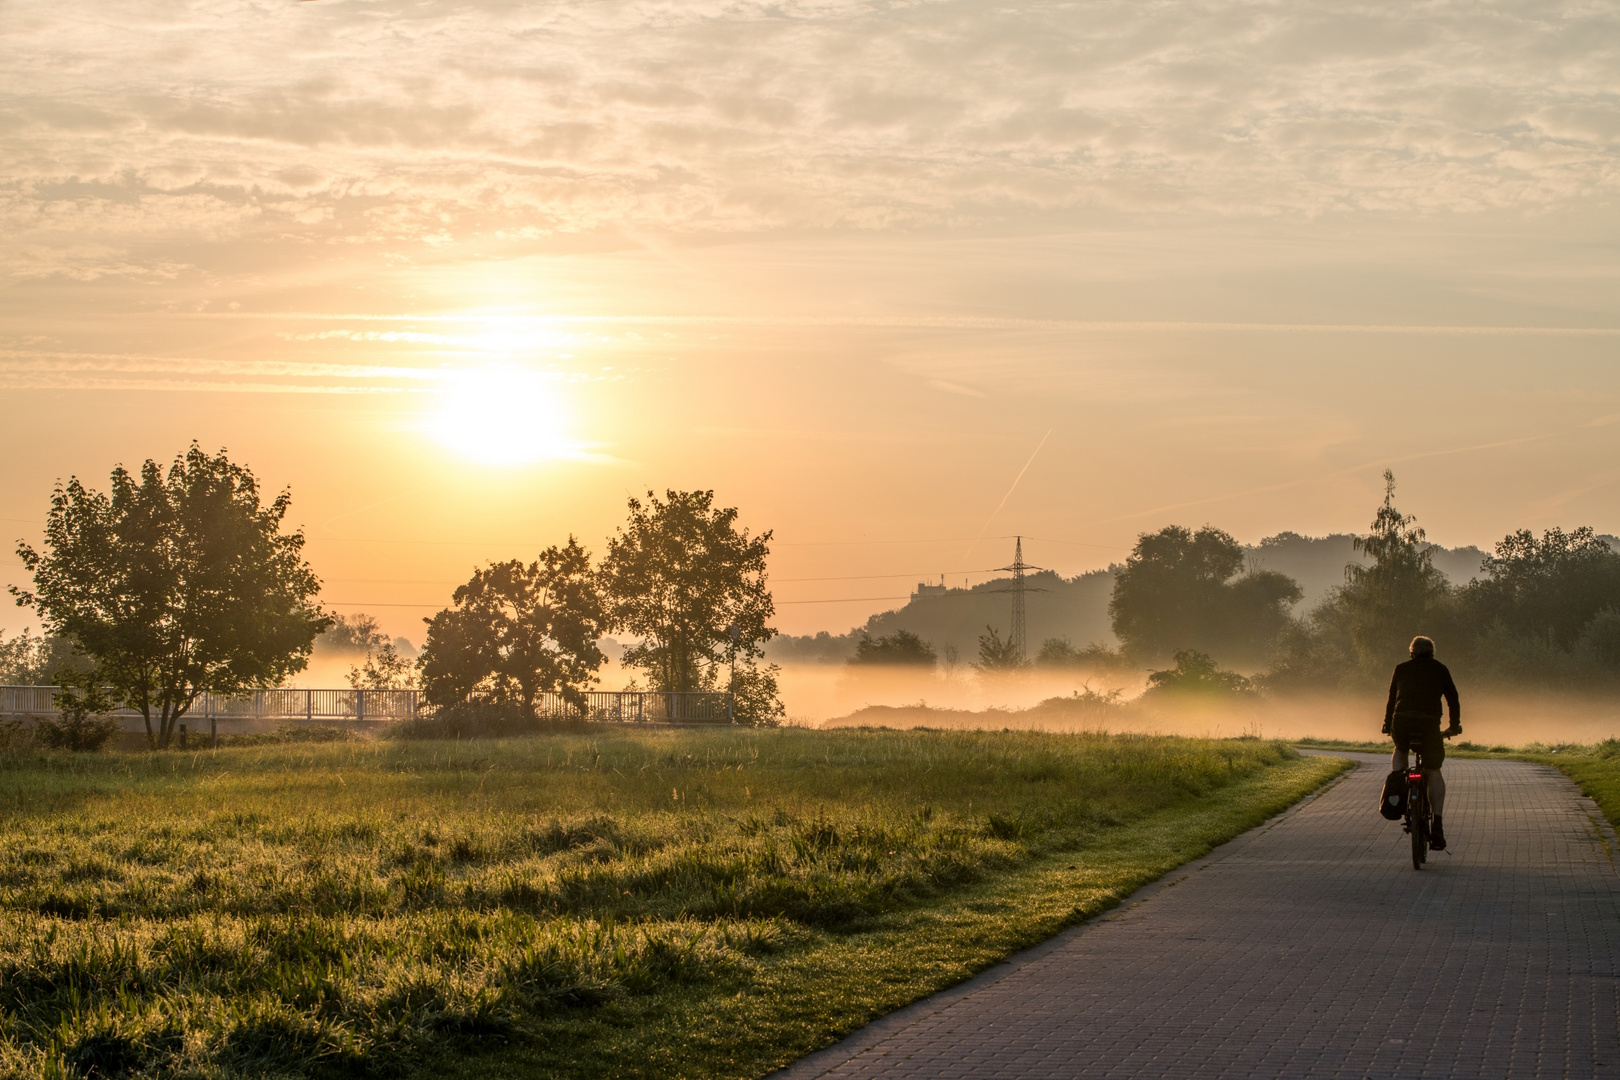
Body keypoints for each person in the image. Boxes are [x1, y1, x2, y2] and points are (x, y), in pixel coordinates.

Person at [1383, 635, 1462, 850]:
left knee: (1400, 749)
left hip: (1402, 721)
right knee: (1433, 770)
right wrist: (1454, 725)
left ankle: (1398, 787)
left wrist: (1386, 724)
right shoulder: (1440, 669)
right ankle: (1437, 823)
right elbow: (1452, 698)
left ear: (1412, 653)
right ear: (1432, 653)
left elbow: (1392, 699)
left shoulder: (1401, 668)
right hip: (1429, 725)